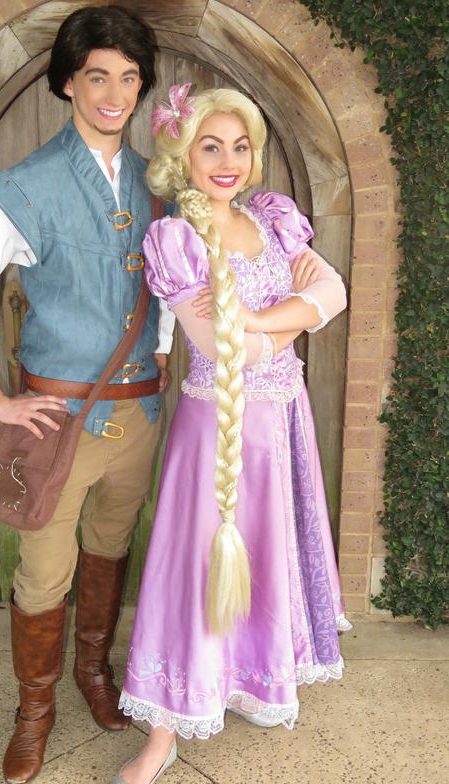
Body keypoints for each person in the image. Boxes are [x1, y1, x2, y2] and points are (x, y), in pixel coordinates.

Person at [0, 7, 175, 784]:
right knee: (42, 574)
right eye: (98, 76)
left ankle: (93, 673)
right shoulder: (24, 187)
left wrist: (166, 353)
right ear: (68, 82)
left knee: (111, 546)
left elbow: (175, 291)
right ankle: (34, 711)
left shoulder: (159, 185)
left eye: (129, 78)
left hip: (141, 414)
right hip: (58, 421)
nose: (115, 94)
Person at [112, 86, 352, 784]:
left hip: (281, 425)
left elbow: (334, 291)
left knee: (265, 558)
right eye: (210, 146)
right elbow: (227, 352)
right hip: (216, 433)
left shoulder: (272, 220)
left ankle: (249, 679)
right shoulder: (178, 240)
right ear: (182, 156)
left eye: (240, 147)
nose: (228, 162)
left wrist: (261, 319)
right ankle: (164, 729)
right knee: (196, 569)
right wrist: (296, 316)